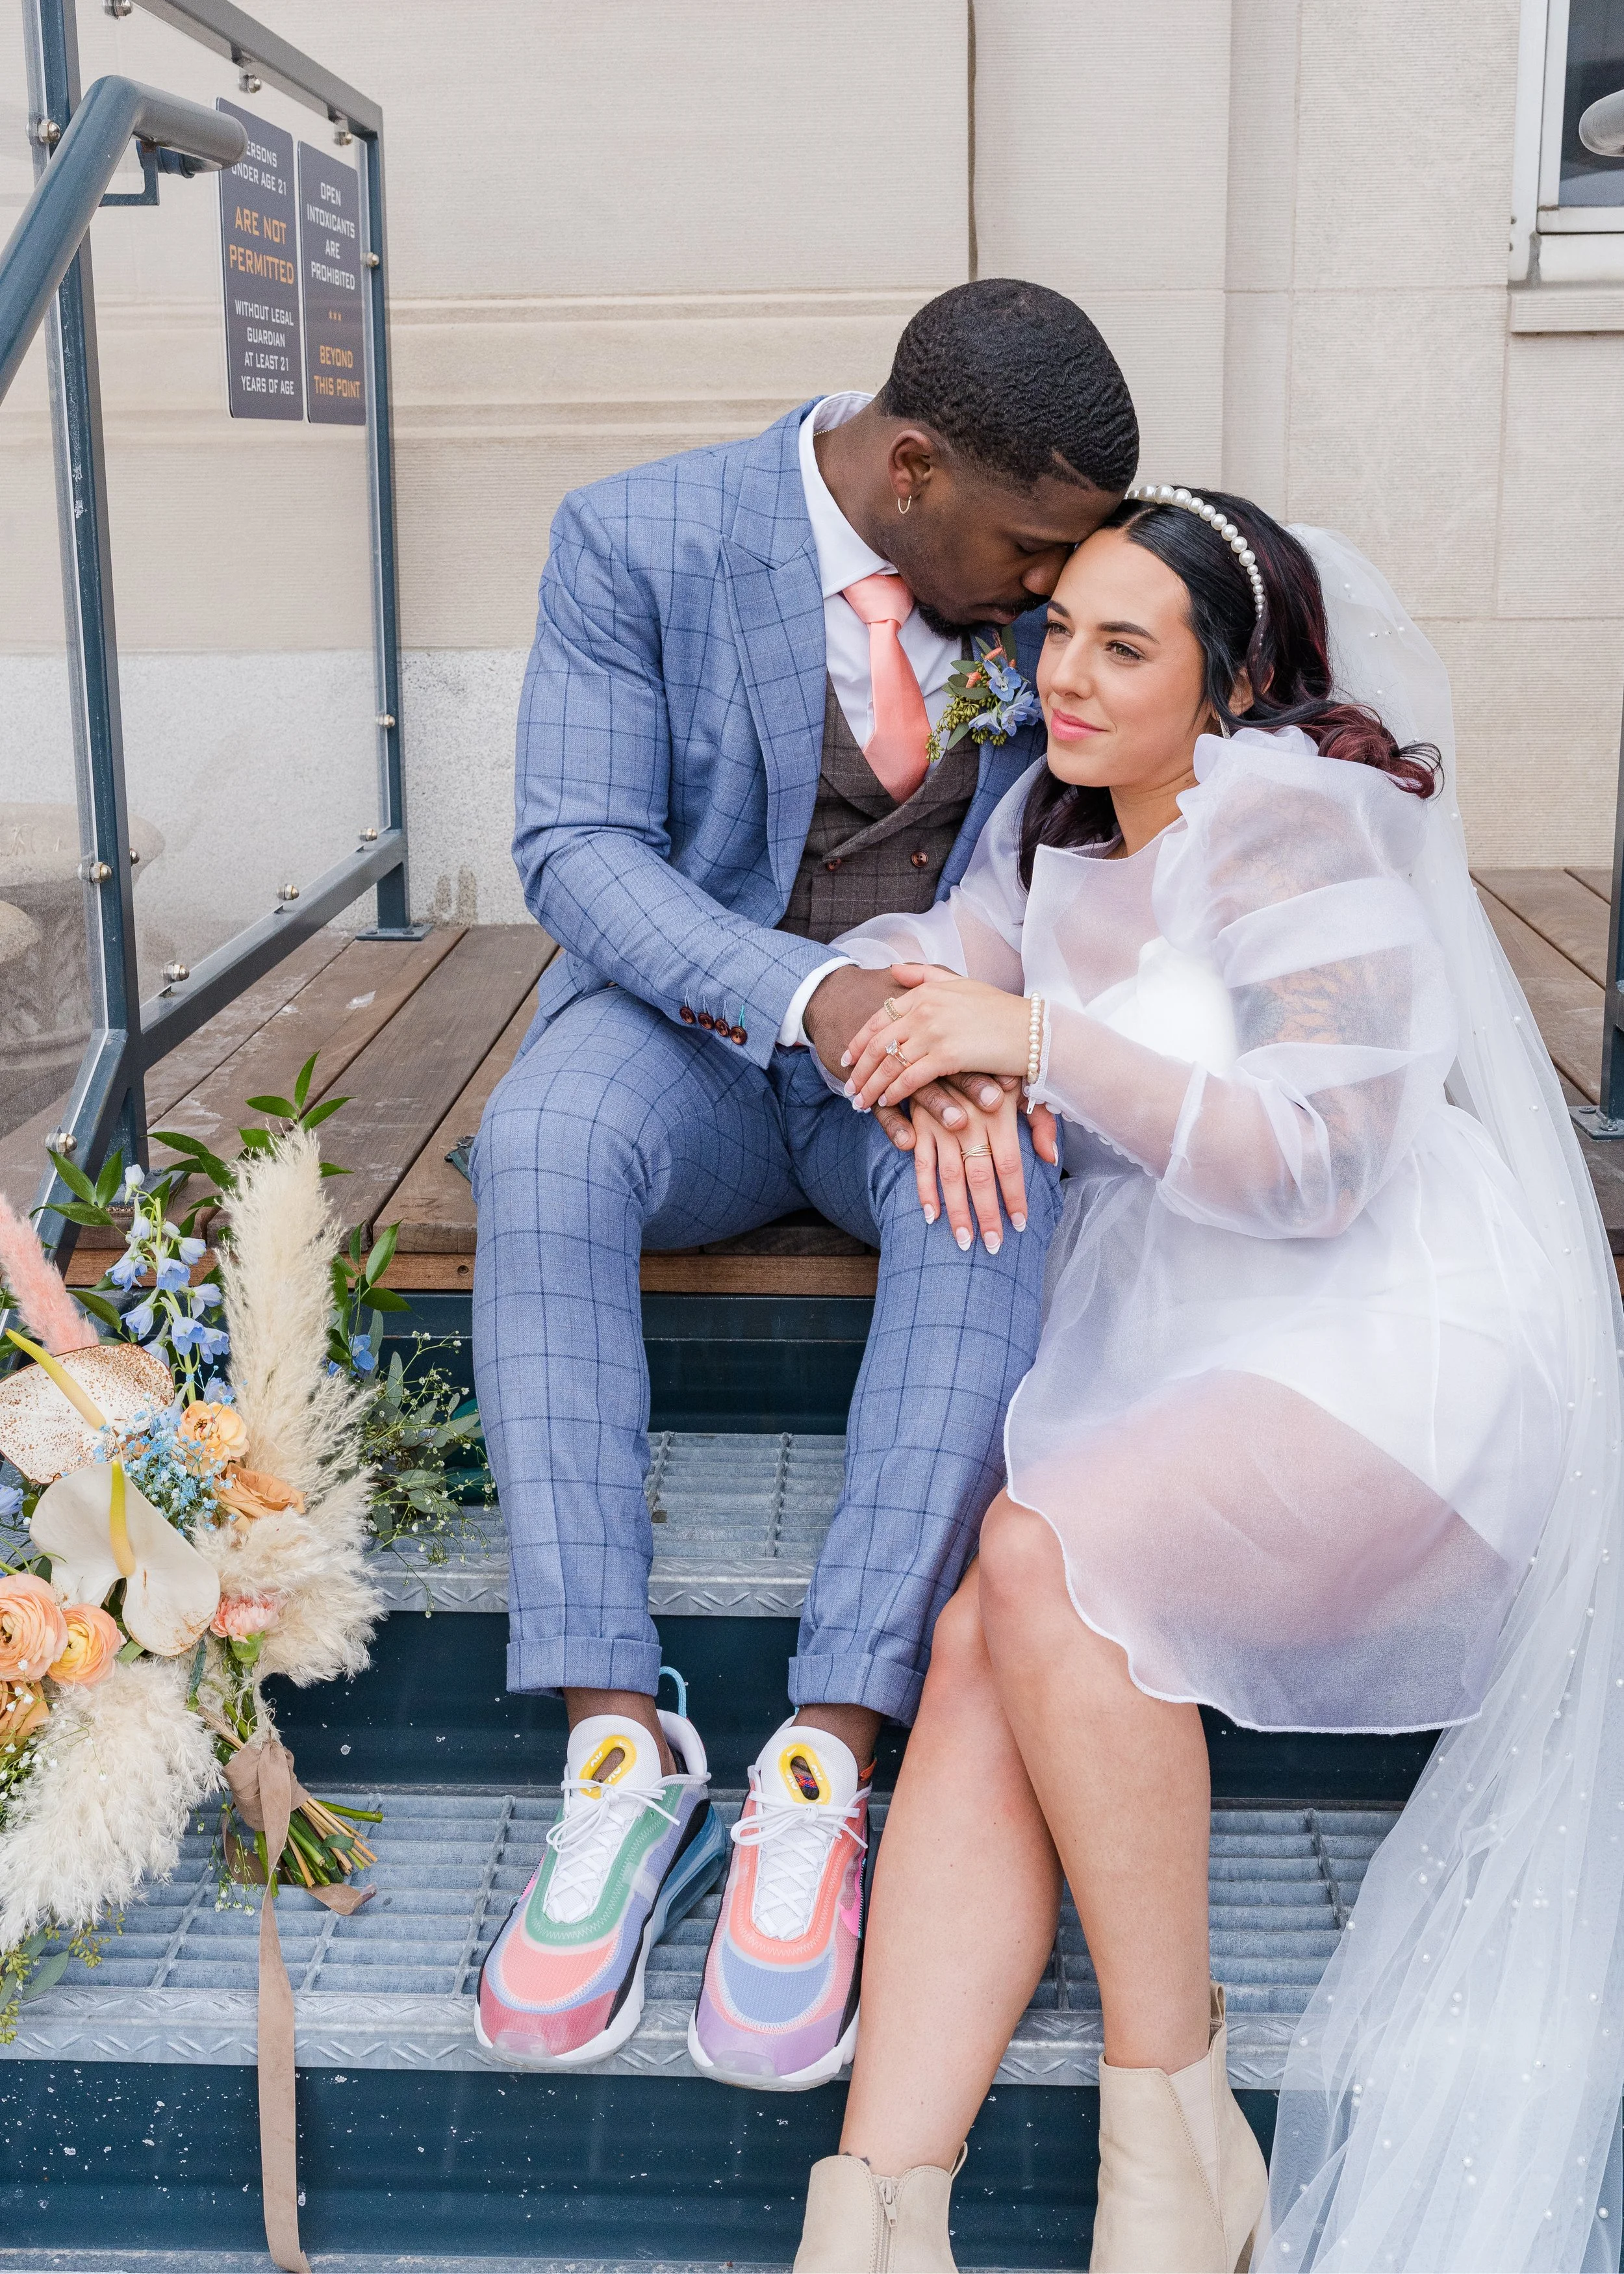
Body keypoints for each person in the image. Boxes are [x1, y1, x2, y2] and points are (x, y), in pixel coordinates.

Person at [791, 489, 1624, 2273]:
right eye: (1058, 633)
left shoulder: (1290, 828)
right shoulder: (1051, 828)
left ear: (1228, 684)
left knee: (1032, 1561)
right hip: (1201, 1341)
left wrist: (1035, 1043)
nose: (1065, 678)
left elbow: (1321, 1161)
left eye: (1125, 647)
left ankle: (1174, 2129)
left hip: (1392, 1351)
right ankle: (873, 2212)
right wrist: (934, 1043)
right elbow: (930, 964)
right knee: (981, 1636)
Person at [471, 281, 1139, 2088]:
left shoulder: (1028, 569)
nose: (1045, 592)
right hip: (680, 1034)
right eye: (1026, 551)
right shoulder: (633, 539)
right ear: (912, 469)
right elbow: (576, 847)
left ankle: (825, 1755)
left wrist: (976, 1029)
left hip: (920, 1039)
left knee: (1000, 1178)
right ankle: (617, 1746)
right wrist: (804, 993)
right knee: (536, 1144)